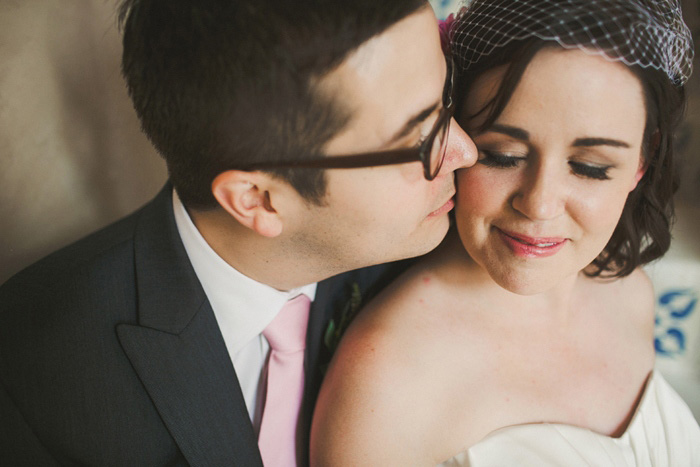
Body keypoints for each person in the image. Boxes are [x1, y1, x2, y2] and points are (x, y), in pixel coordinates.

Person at [0, 0, 478, 465]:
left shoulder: (452, 248)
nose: (466, 151)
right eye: (420, 139)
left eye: (447, 94)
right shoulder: (34, 373)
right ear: (257, 200)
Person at [311, 0, 700, 465]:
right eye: (503, 155)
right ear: (455, 138)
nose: (538, 204)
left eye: (590, 167)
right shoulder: (387, 378)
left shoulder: (631, 293)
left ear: (641, 159)